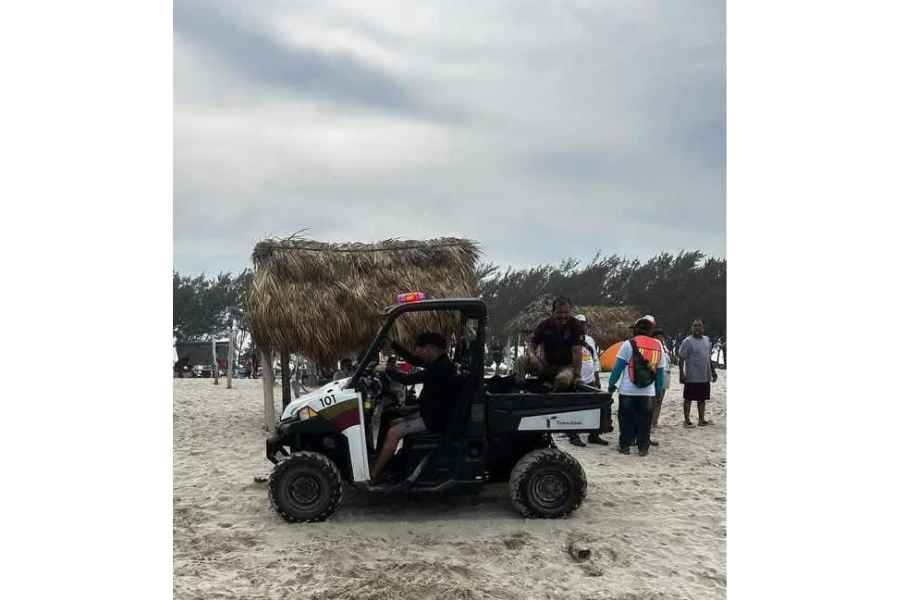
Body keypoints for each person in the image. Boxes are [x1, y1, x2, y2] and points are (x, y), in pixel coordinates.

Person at [369, 332, 458, 483]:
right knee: (389, 417)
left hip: (433, 419)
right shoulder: (438, 362)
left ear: (431, 348)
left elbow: (407, 380)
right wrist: (394, 345)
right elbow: (414, 360)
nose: (419, 355)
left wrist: (386, 370)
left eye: (420, 350)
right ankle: (385, 462)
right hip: (428, 411)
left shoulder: (441, 367)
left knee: (393, 432)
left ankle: (373, 474)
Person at [607, 316, 668, 457]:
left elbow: (617, 368)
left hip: (628, 390)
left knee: (626, 419)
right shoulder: (658, 345)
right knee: (645, 421)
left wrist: (611, 385)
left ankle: (625, 446)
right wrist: (658, 390)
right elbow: (660, 372)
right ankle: (643, 448)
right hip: (648, 392)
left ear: (636, 330)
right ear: (650, 331)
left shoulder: (628, 344)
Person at [514, 296, 584, 392]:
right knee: (520, 360)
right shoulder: (545, 325)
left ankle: (550, 389)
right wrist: (533, 356)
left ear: (570, 312)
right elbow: (531, 343)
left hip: (566, 367)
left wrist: (577, 376)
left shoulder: (575, 325)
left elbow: (577, 352)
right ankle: (519, 389)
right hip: (545, 366)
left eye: (566, 313)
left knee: (562, 380)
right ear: (553, 312)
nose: (563, 316)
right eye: (559, 312)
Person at [568, 314, 609, 447]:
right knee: (574, 408)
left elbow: (595, 358)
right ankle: (573, 436)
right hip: (576, 380)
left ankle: (594, 435)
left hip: (590, 379)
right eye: (579, 323)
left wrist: (597, 377)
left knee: (595, 407)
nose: (582, 326)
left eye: (584, 323)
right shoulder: (568, 339)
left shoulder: (590, 340)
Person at [678, 319, 718, 427]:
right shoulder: (687, 341)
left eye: (699, 326)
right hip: (691, 376)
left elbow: (708, 358)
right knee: (688, 399)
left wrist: (713, 372)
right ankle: (686, 421)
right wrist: (681, 374)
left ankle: (701, 420)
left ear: (703, 328)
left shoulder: (707, 340)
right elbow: (681, 358)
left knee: (702, 399)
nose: (697, 328)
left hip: (704, 376)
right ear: (691, 328)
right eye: (695, 326)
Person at [651, 328, 673, 430]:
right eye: (658, 336)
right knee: (654, 399)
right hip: (657, 375)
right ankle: (650, 422)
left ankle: (655, 422)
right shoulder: (653, 346)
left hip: (666, 375)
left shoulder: (664, 347)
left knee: (659, 400)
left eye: (661, 337)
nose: (660, 339)